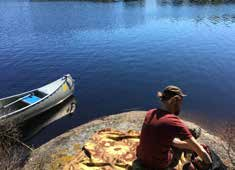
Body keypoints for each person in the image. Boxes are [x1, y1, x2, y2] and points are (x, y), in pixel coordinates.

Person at [136, 85, 212, 170]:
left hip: (141, 158)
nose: (181, 105)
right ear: (176, 100)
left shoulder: (150, 113)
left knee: (175, 140)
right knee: (195, 146)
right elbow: (200, 150)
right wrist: (209, 164)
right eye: (181, 102)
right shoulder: (174, 122)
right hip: (159, 165)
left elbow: (168, 140)